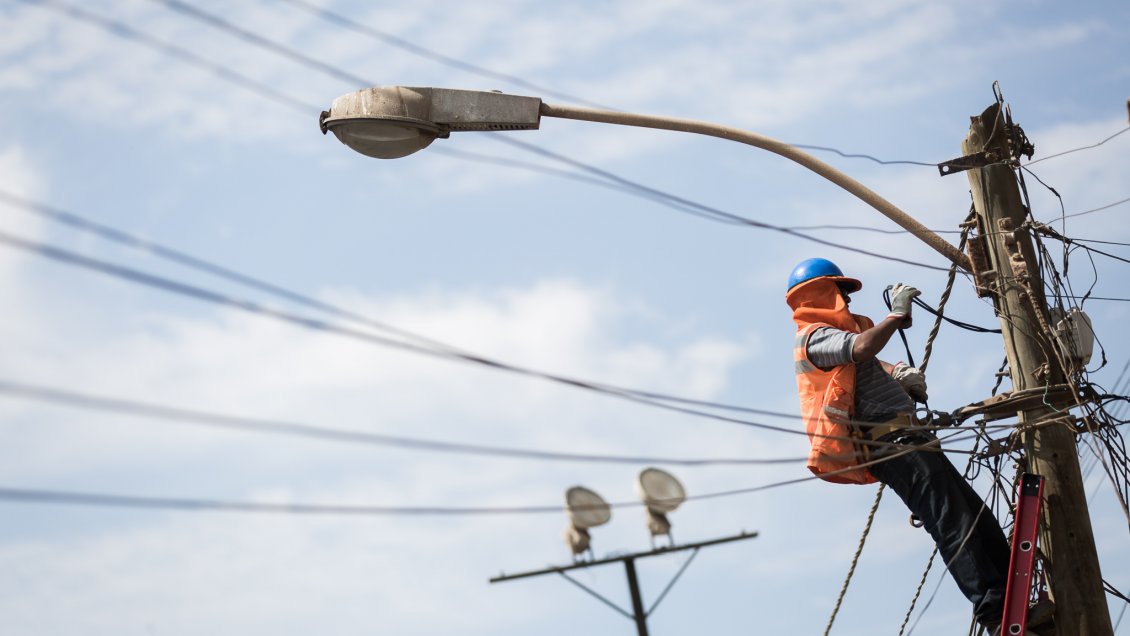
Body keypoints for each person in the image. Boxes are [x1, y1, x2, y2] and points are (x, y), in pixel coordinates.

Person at [785, 257, 1032, 634]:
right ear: (818, 294)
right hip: (891, 445)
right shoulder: (814, 337)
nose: (847, 300)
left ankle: (1016, 600)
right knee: (953, 522)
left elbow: (867, 363)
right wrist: (896, 315)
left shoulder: (837, 338)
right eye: (840, 291)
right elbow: (861, 348)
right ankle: (997, 614)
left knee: (975, 516)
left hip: (910, 439)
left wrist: (899, 373)